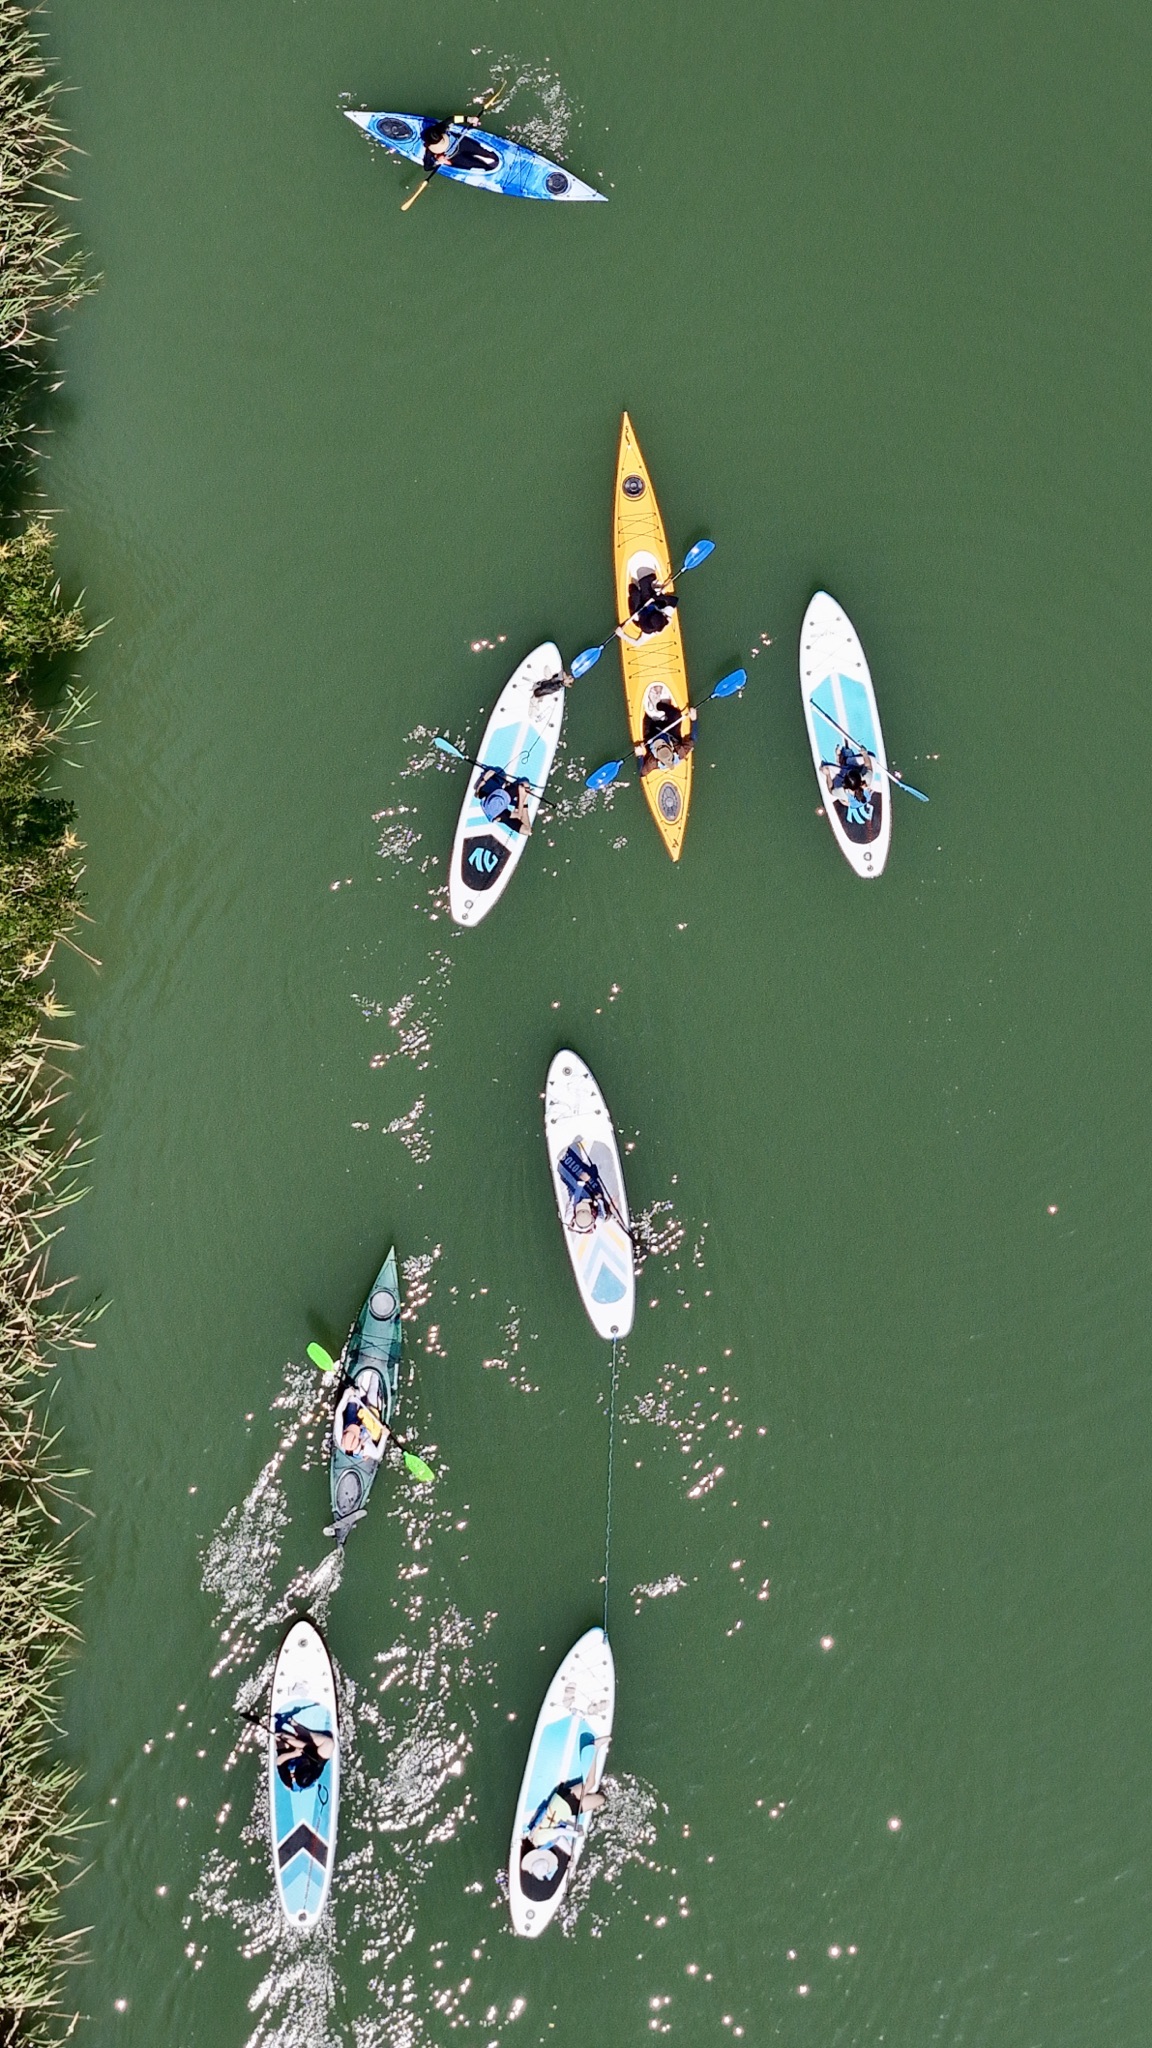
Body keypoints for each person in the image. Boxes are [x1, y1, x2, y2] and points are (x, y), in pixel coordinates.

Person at [635, 682, 696, 776]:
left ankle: (651, 709)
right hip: (669, 733)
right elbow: (693, 739)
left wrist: (639, 755)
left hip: (652, 733)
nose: (660, 744)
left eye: (658, 747)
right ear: (671, 748)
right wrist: (694, 720)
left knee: (648, 719)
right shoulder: (680, 752)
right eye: (663, 745)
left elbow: (641, 773)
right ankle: (659, 705)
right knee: (676, 715)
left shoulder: (652, 762)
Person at [420, 116, 501, 176]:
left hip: (461, 142)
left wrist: (469, 119)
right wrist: (438, 162)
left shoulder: (439, 129)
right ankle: (487, 167)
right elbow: (427, 167)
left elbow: (452, 119)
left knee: (486, 153)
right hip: (455, 157)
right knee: (477, 165)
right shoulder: (430, 149)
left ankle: (492, 158)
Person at [274, 1714, 335, 1791]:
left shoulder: (288, 1780)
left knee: (282, 1737)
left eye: (303, 1764)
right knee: (329, 1743)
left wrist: (294, 1753)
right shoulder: (316, 1766)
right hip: (309, 1748)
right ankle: (297, 1728)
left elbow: (278, 1761)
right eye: (305, 1763)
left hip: (291, 1754)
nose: (304, 1762)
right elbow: (307, 1746)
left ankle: (290, 1734)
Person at [558, 1144, 610, 1233]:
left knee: (566, 1174)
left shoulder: (569, 1218)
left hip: (576, 1199)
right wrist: (600, 1199)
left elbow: (575, 1198)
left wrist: (582, 1182)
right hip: (593, 1203)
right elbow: (601, 1211)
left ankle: (566, 1160)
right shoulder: (599, 1220)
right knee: (596, 1188)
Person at [824, 743, 876, 824]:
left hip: (844, 783)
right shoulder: (866, 779)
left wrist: (827, 774)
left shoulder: (842, 792)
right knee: (871, 758)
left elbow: (830, 790)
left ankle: (842, 761)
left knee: (823, 768)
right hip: (856, 778)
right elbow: (868, 765)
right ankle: (847, 761)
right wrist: (864, 754)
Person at [621, 569, 677, 638]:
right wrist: (658, 597)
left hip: (639, 609)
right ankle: (647, 582)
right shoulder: (665, 613)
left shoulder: (647, 630)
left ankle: (634, 588)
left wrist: (622, 635)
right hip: (651, 601)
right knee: (644, 583)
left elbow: (637, 643)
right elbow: (674, 601)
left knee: (635, 592)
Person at [476, 767, 532, 834]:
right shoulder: (503, 815)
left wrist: (484, 779)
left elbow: (477, 794)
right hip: (505, 796)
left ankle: (517, 799)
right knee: (527, 831)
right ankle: (520, 801)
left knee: (501, 773)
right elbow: (519, 815)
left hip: (497, 792)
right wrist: (523, 797)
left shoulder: (489, 800)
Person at [339, 1391, 389, 1463]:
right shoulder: (367, 1448)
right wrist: (384, 1435)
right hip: (369, 1426)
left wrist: (347, 1395)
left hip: (351, 1422)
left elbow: (339, 1413)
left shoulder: (341, 1440)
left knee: (354, 1395)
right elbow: (377, 1455)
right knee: (372, 1394)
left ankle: (356, 1393)